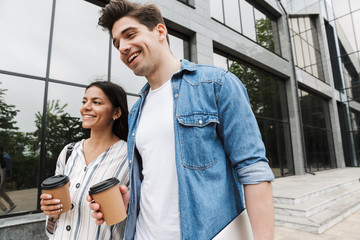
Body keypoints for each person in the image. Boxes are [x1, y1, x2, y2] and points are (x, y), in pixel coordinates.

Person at [89, 1, 275, 239]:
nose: (123, 47)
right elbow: (154, 177)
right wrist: (130, 200)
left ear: (160, 32)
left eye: (130, 34)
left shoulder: (216, 85)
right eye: (117, 43)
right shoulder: (136, 111)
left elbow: (254, 171)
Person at [40, 81, 129, 239]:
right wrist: (51, 211)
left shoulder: (129, 157)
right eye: (84, 101)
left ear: (116, 112)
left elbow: (138, 215)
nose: (86, 107)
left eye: (96, 102)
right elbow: (53, 222)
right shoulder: (68, 152)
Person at [0, 145, 16, 214]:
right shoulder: (6, 156)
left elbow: (6, 168)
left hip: (3, 177)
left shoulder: (4, 157)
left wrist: (4, 177)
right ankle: (11, 204)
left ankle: (5, 209)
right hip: (4, 177)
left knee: (1, 192)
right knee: (1, 192)